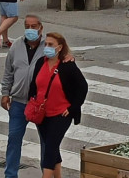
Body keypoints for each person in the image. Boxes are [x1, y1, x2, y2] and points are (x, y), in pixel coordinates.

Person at [0, 15, 70, 178]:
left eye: (34, 26)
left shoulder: (48, 45)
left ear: (41, 27)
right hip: (18, 102)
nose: (30, 30)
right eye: (27, 26)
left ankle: (48, 174)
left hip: (42, 103)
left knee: (48, 143)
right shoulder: (16, 45)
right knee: (14, 139)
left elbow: (64, 60)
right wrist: (5, 94)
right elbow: (8, 72)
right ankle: (10, 175)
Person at [28, 33, 87, 178]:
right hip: (42, 114)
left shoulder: (68, 66)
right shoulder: (41, 63)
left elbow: (82, 87)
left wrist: (73, 108)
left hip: (60, 114)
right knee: (52, 147)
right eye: (46, 44)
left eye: (50, 45)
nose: (47, 47)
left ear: (59, 48)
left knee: (50, 149)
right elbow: (34, 85)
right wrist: (32, 101)